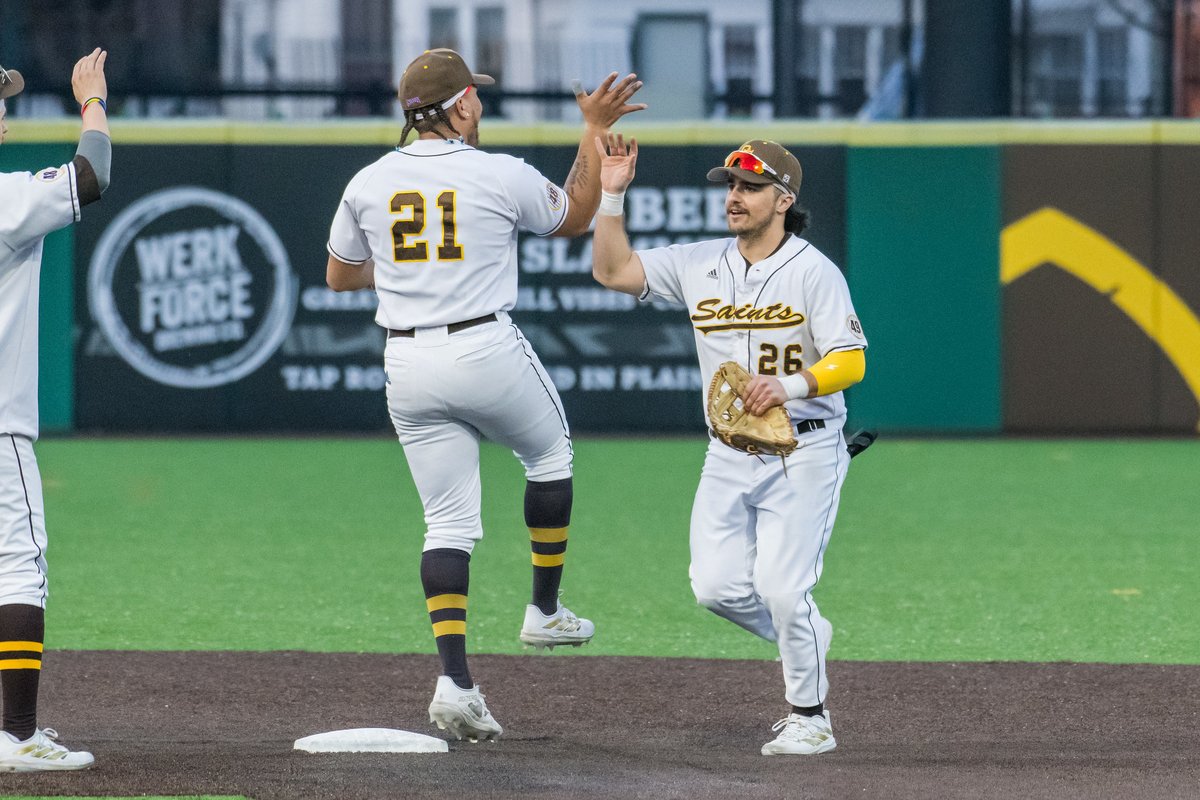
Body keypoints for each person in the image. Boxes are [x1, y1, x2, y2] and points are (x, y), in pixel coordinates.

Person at [325, 49, 645, 742]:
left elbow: (341, 277)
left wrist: (418, 275)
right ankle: (544, 610)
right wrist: (593, 131)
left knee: (446, 525)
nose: (483, 108)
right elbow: (576, 216)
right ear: (462, 105)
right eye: (478, 98)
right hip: (483, 346)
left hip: (406, 358)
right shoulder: (497, 172)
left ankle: (455, 682)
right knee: (550, 452)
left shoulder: (368, 181)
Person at [591, 135, 867, 756]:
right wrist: (612, 195)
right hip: (727, 452)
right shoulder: (698, 262)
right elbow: (611, 271)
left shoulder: (812, 270)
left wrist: (793, 384)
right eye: (731, 187)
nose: (735, 198)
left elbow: (852, 361)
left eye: (750, 187)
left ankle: (810, 718)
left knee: (783, 585)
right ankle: (806, 636)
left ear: (783, 198)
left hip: (805, 450)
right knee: (714, 588)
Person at [0, 48, 111, 772]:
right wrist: (93, 103)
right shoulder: (7, 196)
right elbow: (90, 176)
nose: (4, 108)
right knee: (17, 567)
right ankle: (15, 737)